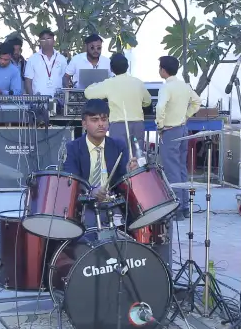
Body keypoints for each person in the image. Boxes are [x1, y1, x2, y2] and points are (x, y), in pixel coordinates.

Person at [62, 99, 133, 229]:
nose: (101, 124)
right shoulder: (72, 148)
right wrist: (91, 191)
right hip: (85, 205)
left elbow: (122, 181)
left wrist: (130, 173)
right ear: (84, 124)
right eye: (95, 120)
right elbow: (71, 182)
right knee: (88, 230)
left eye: (104, 119)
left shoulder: (118, 146)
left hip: (113, 204)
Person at [154, 56, 201, 218]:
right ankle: (185, 206)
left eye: (160, 68)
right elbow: (197, 102)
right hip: (182, 129)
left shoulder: (166, 87)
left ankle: (176, 208)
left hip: (170, 130)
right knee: (181, 168)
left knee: (171, 169)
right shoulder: (184, 86)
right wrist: (185, 116)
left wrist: (160, 125)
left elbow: (160, 107)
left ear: (163, 70)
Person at [85, 53, 152, 153]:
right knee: (138, 155)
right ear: (127, 66)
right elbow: (147, 102)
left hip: (118, 125)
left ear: (111, 69)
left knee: (119, 156)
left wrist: (95, 84)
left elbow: (88, 93)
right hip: (137, 125)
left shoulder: (109, 83)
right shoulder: (138, 82)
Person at [23, 28, 68, 97]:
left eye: (49, 38)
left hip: (58, 99)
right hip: (38, 99)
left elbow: (65, 79)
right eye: (43, 39)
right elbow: (28, 80)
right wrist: (32, 99)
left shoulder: (61, 59)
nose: (46, 41)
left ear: (54, 41)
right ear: (40, 42)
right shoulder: (32, 59)